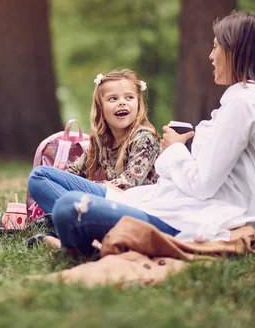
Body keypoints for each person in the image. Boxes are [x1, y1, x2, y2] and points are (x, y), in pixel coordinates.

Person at [45, 10, 255, 256]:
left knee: (67, 208)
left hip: (196, 219)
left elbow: (202, 185)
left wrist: (173, 148)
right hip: (171, 202)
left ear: (234, 51)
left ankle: (85, 245)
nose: (211, 56)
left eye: (216, 47)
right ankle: (90, 230)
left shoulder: (243, 105)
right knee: (43, 178)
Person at [27, 69, 161, 235]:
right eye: (113, 98)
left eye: (129, 97)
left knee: (40, 175)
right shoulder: (102, 140)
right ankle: (75, 218)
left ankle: (68, 217)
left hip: (137, 208)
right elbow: (74, 172)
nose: (122, 103)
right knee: (38, 180)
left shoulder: (145, 137)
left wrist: (85, 189)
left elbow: (127, 186)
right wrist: (62, 184)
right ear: (101, 107)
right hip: (110, 200)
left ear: (138, 104)